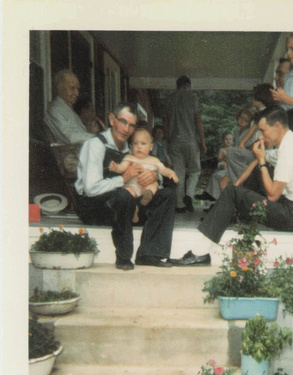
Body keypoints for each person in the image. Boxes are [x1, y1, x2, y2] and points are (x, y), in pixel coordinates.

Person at [170, 105, 293, 266]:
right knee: (253, 174)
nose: (261, 137)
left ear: (277, 126)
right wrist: (236, 184)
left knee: (239, 187)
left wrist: (235, 190)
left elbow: (273, 195)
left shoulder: (289, 149)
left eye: (263, 131)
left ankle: (199, 253)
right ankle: (232, 212)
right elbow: (256, 162)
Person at [75, 102, 177, 270]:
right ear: (112, 119)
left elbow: (150, 164)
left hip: (128, 205)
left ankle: (149, 254)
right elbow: (90, 189)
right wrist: (123, 179)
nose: (126, 129)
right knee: (124, 196)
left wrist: (154, 176)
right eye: (123, 122)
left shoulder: (130, 147)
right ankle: (123, 257)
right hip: (95, 207)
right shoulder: (95, 145)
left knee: (167, 195)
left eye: (131, 125)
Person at [109, 127, 179, 223]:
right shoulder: (129, 157)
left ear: (151, 147)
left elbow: (163, 170)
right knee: (127, 192)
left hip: (147, 186)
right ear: (131, 146)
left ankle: (148, 194)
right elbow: (122, 167)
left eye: (143, 144)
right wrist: (116, 167)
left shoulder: (154, 160)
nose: (139, 147)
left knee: (153, 184)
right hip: (133, 185)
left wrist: (171, 173)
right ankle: (133, 209)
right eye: (135, 143)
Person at [164, 75, 207, 213]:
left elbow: (165, 122)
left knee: (179, 173)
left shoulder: (169, 100)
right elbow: (197, 120)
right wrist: (203, 141)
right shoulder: (192, 97)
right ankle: (188, 194)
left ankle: (180, 205)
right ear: (187, 85)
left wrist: (168, 141)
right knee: (195, 171)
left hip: (174, 141)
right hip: (190, 140)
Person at [44, 70, 95, 144]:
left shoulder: (68, 110)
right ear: (60, 88)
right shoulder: (55, 110)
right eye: (72, 88)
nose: (77, 94)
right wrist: (98, 138)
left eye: (78, 89)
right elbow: (71, 137)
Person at [195, 132, 234, 204]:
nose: (228, 141)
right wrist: (224, 157)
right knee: (218, 172)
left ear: (233, 141)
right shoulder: (222, 150)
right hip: (223, 165)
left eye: (230, 139)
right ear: (223, 141)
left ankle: (209, 195)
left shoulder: (234, 150)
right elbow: (219, 159)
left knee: (217, 177)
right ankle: (211, 197)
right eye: (226, 139)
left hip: (230, 168)